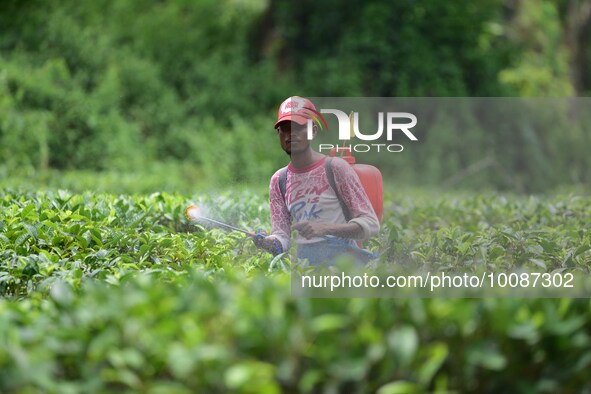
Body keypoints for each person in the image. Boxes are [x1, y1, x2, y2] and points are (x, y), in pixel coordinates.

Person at [254, 96, 380, 265]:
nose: (291, 133)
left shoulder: (336, 168)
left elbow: (371, 223)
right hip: (304, 265)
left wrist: (324, 228)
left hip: (344, 264)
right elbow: (282, 234)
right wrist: (270, 242)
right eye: (285, 128)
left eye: (298, 126)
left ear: (313, 130)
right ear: (279, 134)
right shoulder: (279, 180)